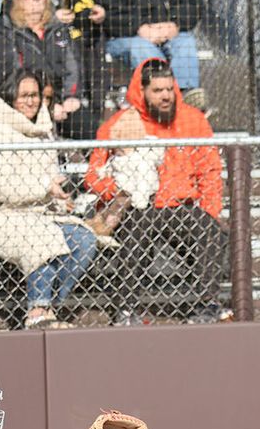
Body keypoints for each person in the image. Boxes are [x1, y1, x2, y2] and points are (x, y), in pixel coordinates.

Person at [84, 58, 228, 323]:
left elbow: (209, 171)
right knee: (138, 233)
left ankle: (208, 304)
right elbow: (93, 174)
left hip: (180, 206)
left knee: (208, 228)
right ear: (142, 92)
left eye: (169, 89)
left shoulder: (193, 121)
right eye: (157, 91)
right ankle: (125, 310)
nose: (165, 96)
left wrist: (210, 211)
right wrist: (119, 192)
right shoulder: (121, 123)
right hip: (139, 207)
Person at [0, 68, 100, 329]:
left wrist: (60, 199)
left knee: (84, 240)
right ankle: (38, 311)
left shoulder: (43, 131)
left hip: (38, 213)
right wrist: (46, 188)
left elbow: (50, 180)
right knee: (43, 239)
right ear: (10, 96)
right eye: (24, 95)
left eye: (35, 95)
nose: (31, 101)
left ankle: (47, 308)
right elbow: (1, 189)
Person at [5, 0, 108, 141]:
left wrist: (89, 14)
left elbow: (84, 1)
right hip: (32, 41)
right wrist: (51, 16)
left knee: (92, 46)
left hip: (68, 37)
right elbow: (12, 9)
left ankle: (90, 107)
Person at [0, 0, 82, 124]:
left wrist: (71, 97)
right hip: (23, 103)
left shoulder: (58, 29)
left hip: (59, 101)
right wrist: (45, 104)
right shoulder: (5, 32)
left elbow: (72, 67)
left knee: (87, 124)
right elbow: (7, 75)